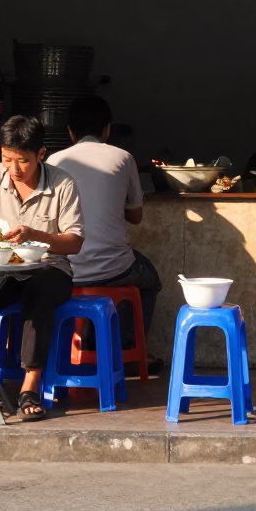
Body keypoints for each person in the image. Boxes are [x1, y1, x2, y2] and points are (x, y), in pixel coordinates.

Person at [0, 116, 84, 421]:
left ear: (41, 154)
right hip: (2, 270)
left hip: (51, 270)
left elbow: (74, 243)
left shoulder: (63, 184)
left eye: (22, 161)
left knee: (39, 293)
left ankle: (30, 387)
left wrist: (34, 235)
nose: (13, 169)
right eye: (6, 158)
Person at [49, 96, 164, 375]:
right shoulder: (123, 158)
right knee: (149, 280)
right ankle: (128, 350)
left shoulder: (53, 161)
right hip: (115, 269)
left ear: (70, 131)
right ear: (107, 130)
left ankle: (85, 344)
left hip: (65, 268)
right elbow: (135, 217)